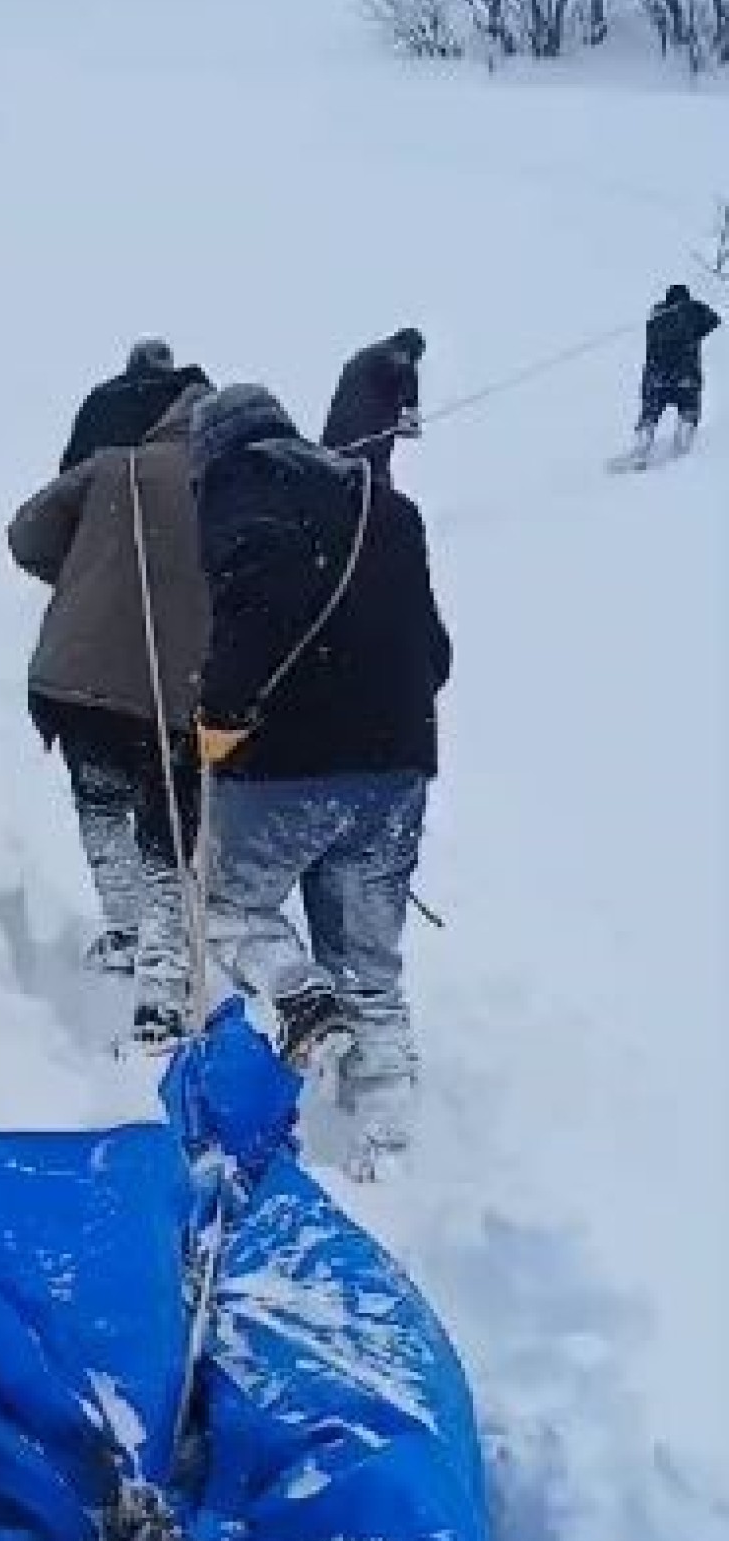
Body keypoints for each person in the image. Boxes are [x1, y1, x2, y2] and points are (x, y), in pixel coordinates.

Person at [190, 384, 452, 1155]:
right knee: (369, 961)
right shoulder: (385, 505)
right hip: (398, 762)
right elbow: (435, 651)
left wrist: (221, 714)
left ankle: (301, 999)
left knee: (233, 911)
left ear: (213, 454)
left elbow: (252, 615)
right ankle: (388, 1142)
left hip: (285, 764)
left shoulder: (238, 492)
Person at [8, 379, 212, 1046]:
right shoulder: (229, 482)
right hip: (176, 692)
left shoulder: (112, 467)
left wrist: (85, 574)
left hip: (81, 678)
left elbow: (26, 534)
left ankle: (122, 928)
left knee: (100, 804)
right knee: (167, 832)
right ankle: (160, 985)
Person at [60, 340, 211, 474]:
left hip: (115, 480)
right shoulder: (193, 388)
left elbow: (72, 465)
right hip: (176, 475)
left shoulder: (103, 395)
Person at [631, 282, 720, 463]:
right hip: (685, 376)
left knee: (649, 413)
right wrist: (694, 307)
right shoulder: (693, 310)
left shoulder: (655, 315)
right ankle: (681, 451)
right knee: (689, 409)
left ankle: (641, 446)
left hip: (655, 377)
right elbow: (714, 320)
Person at [321, 328, 425, 484]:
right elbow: (406, 375)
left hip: (333, 446)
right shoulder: (397, 361)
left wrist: (401, 421)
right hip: (362, 451)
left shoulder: (365, 357)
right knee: (377, 494)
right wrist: (411, 414)